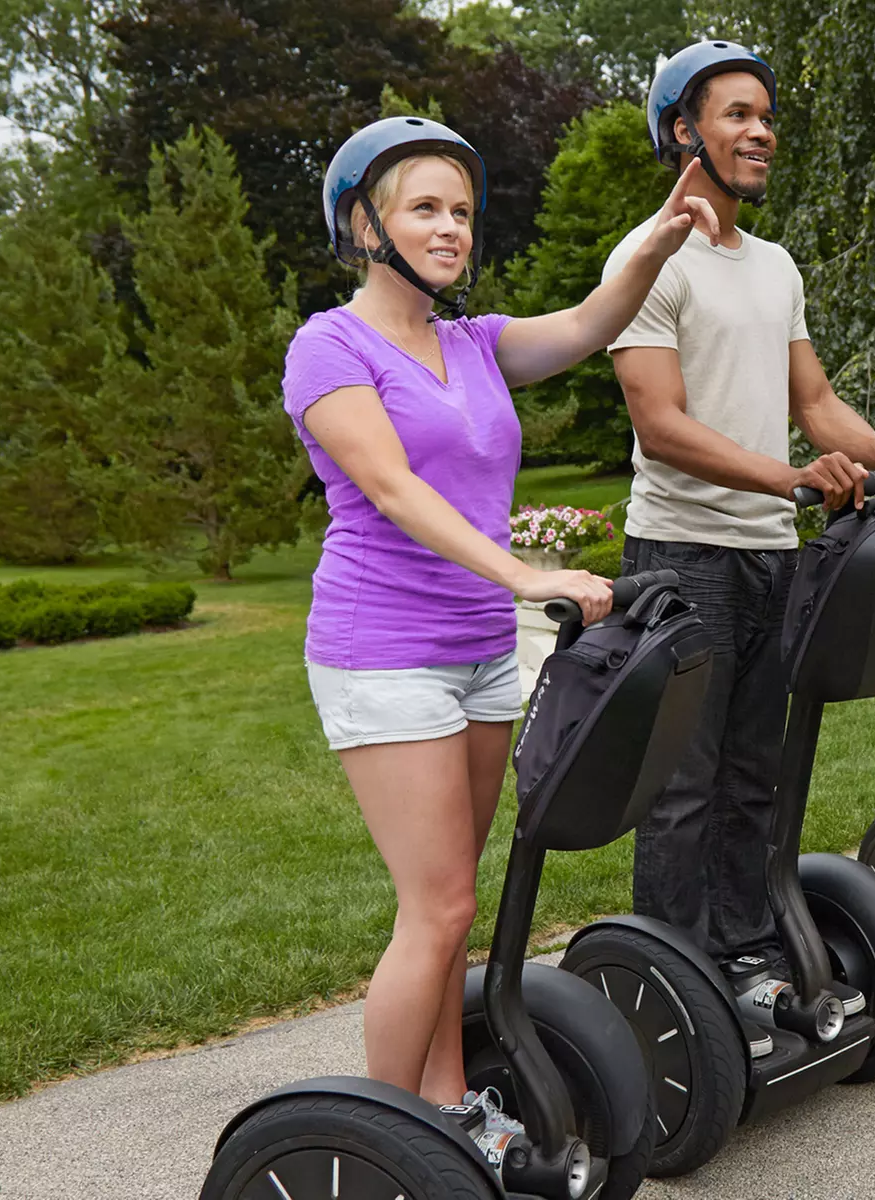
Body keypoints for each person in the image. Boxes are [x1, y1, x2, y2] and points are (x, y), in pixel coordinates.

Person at [281, 116, 719, 1109]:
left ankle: (445, 1107)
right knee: (434, 910)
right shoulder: (328, 347)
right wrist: (524, 575)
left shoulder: (473, 344)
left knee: (453, 906)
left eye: (464, 213)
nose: (451, 230)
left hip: (478, 652)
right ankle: (383, 1139)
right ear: (361, 225)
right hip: (383, 651)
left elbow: (587, 325)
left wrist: (652, 242)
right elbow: (391, 488)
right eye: (425, 209)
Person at [604, 41, 875, 964]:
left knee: (755, 773)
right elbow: (661, 426)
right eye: (736, 115)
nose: (760, 132)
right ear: (683, 129)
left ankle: (748, 955)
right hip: (680, 555)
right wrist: (791, 478)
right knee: (682, 787)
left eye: (766, 117)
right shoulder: (649, 259)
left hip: (769, 555)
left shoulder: (774, 264)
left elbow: (815, 404)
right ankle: (674, 983)